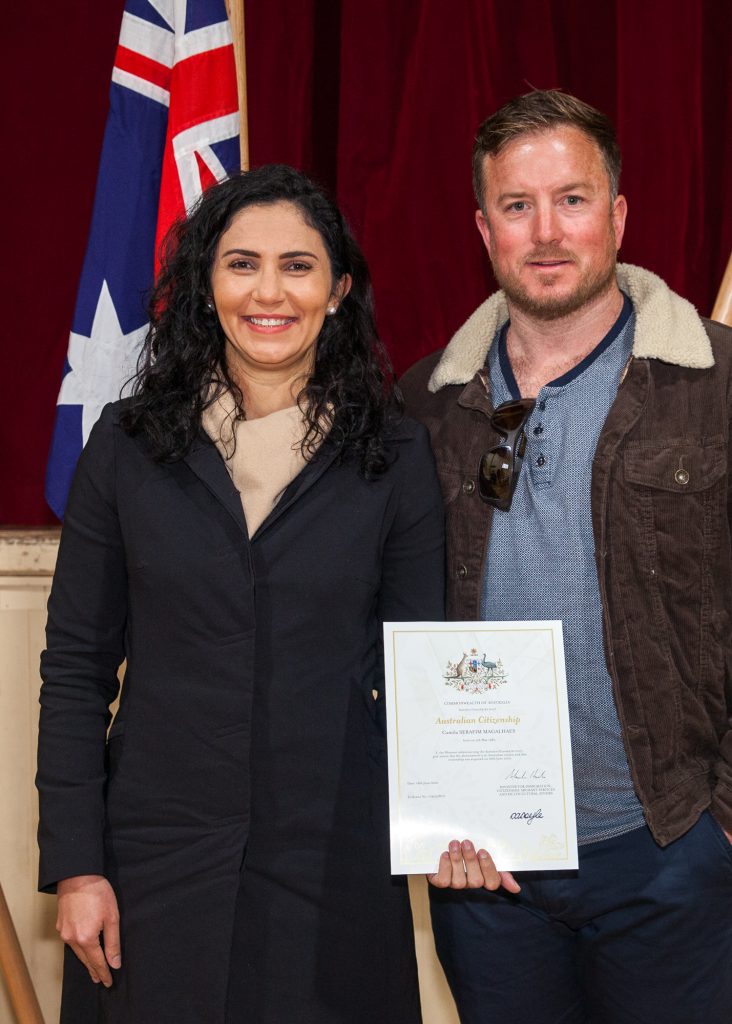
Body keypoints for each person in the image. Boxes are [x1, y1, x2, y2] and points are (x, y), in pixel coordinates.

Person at [36, 164, 455, 1024]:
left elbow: (425, 673)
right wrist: (78, 866)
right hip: (150, 874)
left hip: (333, 868)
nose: (271, 292)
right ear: (206, 285)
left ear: (338, 290)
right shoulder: (125, 446)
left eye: (298, 266)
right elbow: (76, 668)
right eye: (242, 264)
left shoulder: (397, 458)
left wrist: (465, 816)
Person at [401, 90, 732, 1024]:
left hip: (672, 852)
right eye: (517, 206)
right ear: (483, 227)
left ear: (618, 216)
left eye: (573, 200)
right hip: (489, 875)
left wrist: (722, 825)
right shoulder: (422, 408)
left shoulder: (718, 388)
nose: (546, 232)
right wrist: (433, 815)